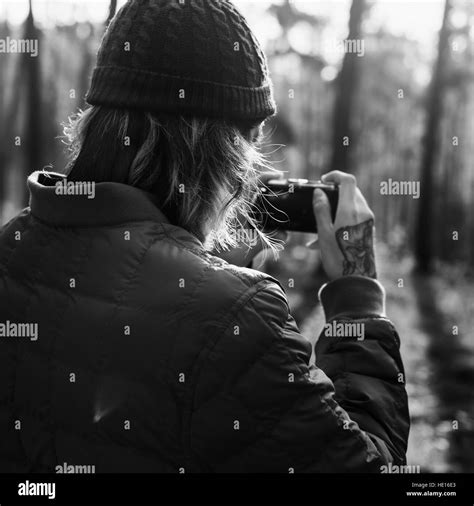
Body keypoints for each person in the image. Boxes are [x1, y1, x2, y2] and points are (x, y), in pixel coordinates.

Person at [0, 0, 409, 472]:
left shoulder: (11, 248)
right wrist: (357, 298)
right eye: (251, 142)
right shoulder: (235, 316)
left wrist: (215, 281)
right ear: (225, 153)